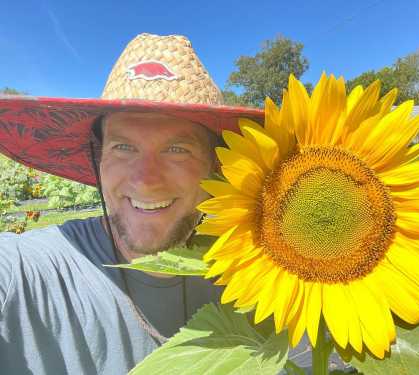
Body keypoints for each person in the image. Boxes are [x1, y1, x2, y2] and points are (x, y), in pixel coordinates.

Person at [0, 33, 264, 374]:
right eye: (123, 147)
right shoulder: (27, 274)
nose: (145, 180)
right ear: (98, 160)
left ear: (216, 167)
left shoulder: (258, 271)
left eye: (177, 149)